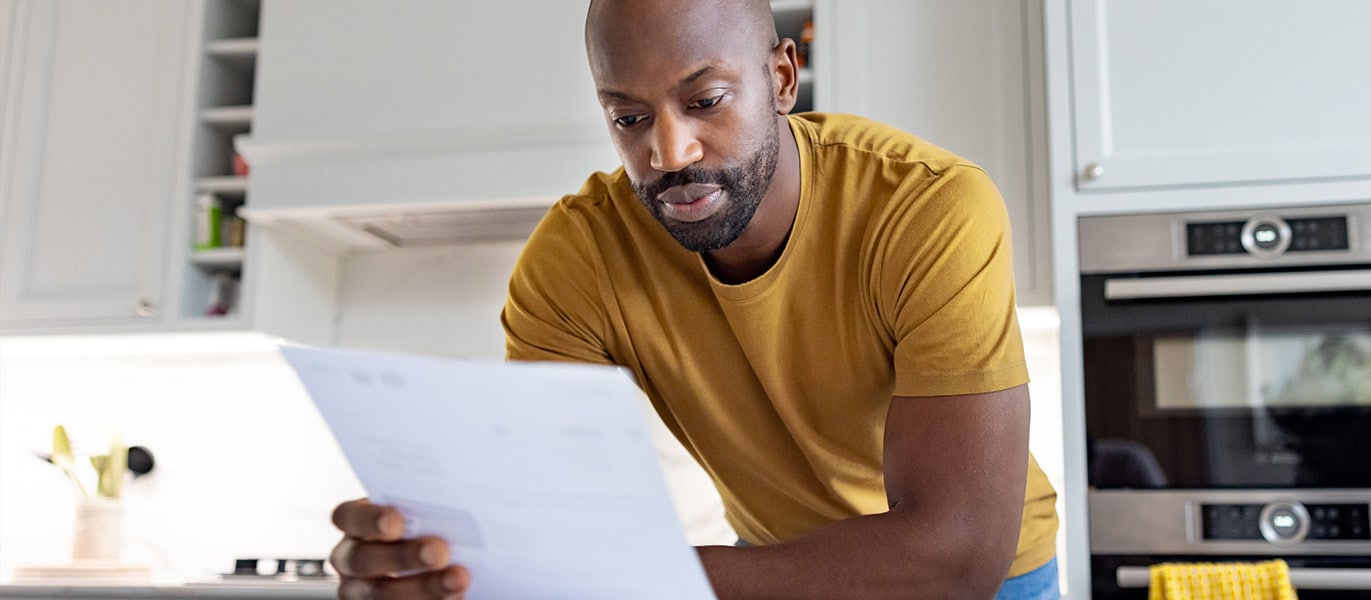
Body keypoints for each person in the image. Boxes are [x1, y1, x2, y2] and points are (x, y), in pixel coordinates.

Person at [326, 0, 1059, 597]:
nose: (668, 153)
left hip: (982, 574)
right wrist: (447, 566)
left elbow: (953, 556)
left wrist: (627, 577)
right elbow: (552, 520)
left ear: (780, 78)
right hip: (771, 561)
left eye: (704, 101)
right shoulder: (576, 259)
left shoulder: (926, 207)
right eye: (629, 119)